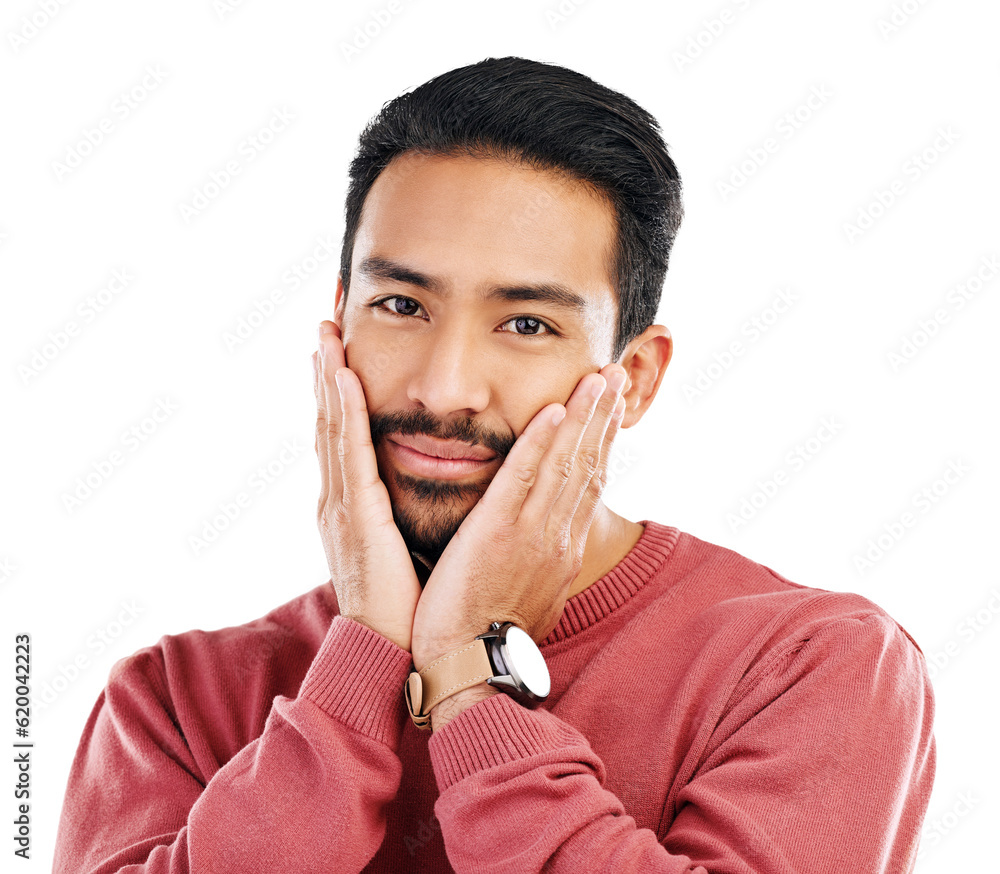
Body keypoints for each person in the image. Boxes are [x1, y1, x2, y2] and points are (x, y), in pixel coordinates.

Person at [53, 56, 935, 873]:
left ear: (630, 380)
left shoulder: (809, 665)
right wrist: (357, 673)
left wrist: (471, 675)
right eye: (401, 304)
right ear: (339, 321)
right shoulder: (171, 702)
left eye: (526, 324)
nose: (444, 391)